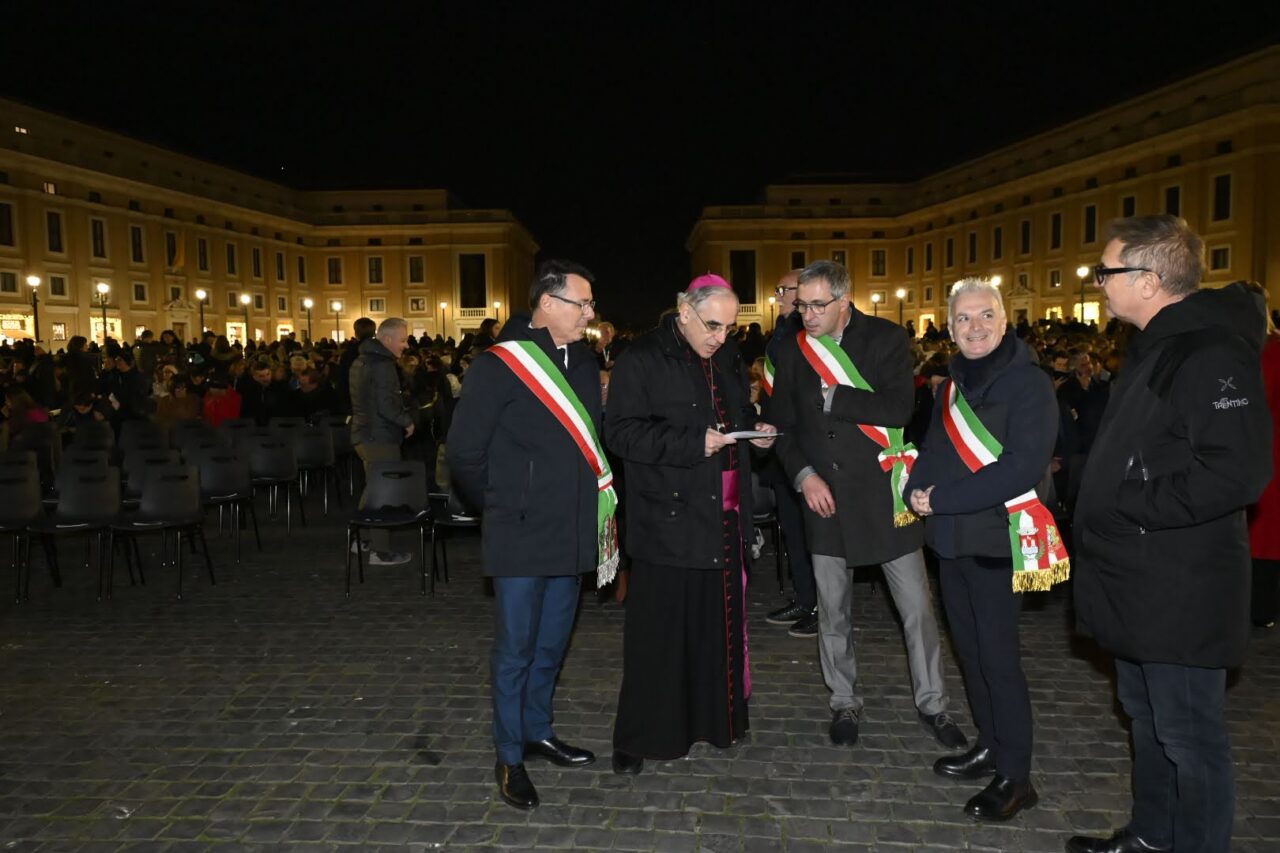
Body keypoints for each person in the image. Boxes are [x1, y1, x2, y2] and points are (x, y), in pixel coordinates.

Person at [1070, 216, 1271, 853]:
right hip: (1139, 579)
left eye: (1108, 271)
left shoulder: (1209, 351)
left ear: (1150, 280)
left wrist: (1128, 503)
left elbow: (1236, 472)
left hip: (1181, 587)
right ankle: (1153, 836)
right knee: (1149, 722)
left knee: (1190, 738)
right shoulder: (1159, 343)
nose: (1099, 282)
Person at [770, 260, 965, 752]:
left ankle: (934, 704)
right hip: (825, 498)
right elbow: (784, 428)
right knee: (833, 610)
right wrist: (803, 475)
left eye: (817, 305)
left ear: (844, 299)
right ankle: (843, 701)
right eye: (801, 305)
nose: (807, 315)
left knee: (917, 608)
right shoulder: (791, 350)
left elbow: (899, 408)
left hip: (883, 495)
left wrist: (838, 398)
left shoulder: (886, 338)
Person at [447, 260, 609, 811]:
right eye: (582, 304)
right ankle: (509, 753)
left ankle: (538, 730)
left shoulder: (585, 363)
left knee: (552, 643)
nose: (590, 314)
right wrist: (502, 503)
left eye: (590, 305)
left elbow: (593, 439)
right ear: (547, 303)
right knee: (515, 648)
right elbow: (465, 453)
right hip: (519, 530)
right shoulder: (498, 365)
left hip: (570, 529)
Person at [605, 274, 777, 775]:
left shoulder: (724, 357)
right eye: (712, 325)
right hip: (668, 516)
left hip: (722, 515)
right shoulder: (641, 359)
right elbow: (620, 433)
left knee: (714, 628)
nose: (721, 337)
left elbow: (737, 411)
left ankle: (714, 723)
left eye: (729, 327)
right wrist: (689, 444)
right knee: (658, 635)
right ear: (684, 310)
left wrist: (757, 431)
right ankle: (640, 736)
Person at [906, 277, 1062, 822]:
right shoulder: (948, 385)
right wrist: (913, 488)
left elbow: (1021, 467)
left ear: (1003, 319)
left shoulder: (1030, 385)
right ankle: (990, 745)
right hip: (951, 542)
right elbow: (930, 448)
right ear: (949, 328)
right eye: (963, 320)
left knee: (999, 661)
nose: (975, 327)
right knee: (970, 655)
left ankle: (1017, 777)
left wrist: (941, 497)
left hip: (997, 541)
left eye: (984, 316)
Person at [760, 269, 819, 638]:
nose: (779, 294)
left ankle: (820, 604)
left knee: (813, 533)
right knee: (793, 529)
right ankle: (804, 596)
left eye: (785, 289)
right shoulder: (782, 331)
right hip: (779, 442)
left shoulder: (806, 333)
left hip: (802, 445)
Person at [349, 318, 415, 567]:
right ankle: (380, 550)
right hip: (380, 436)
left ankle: (363, 538)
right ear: (386, 340)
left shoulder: (361, 360)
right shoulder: (383, 366)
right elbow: (386, 405)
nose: (406, 345)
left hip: (364, 434)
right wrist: (407, 421)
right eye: (402, 340)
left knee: (373, 488)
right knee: (383, 491)